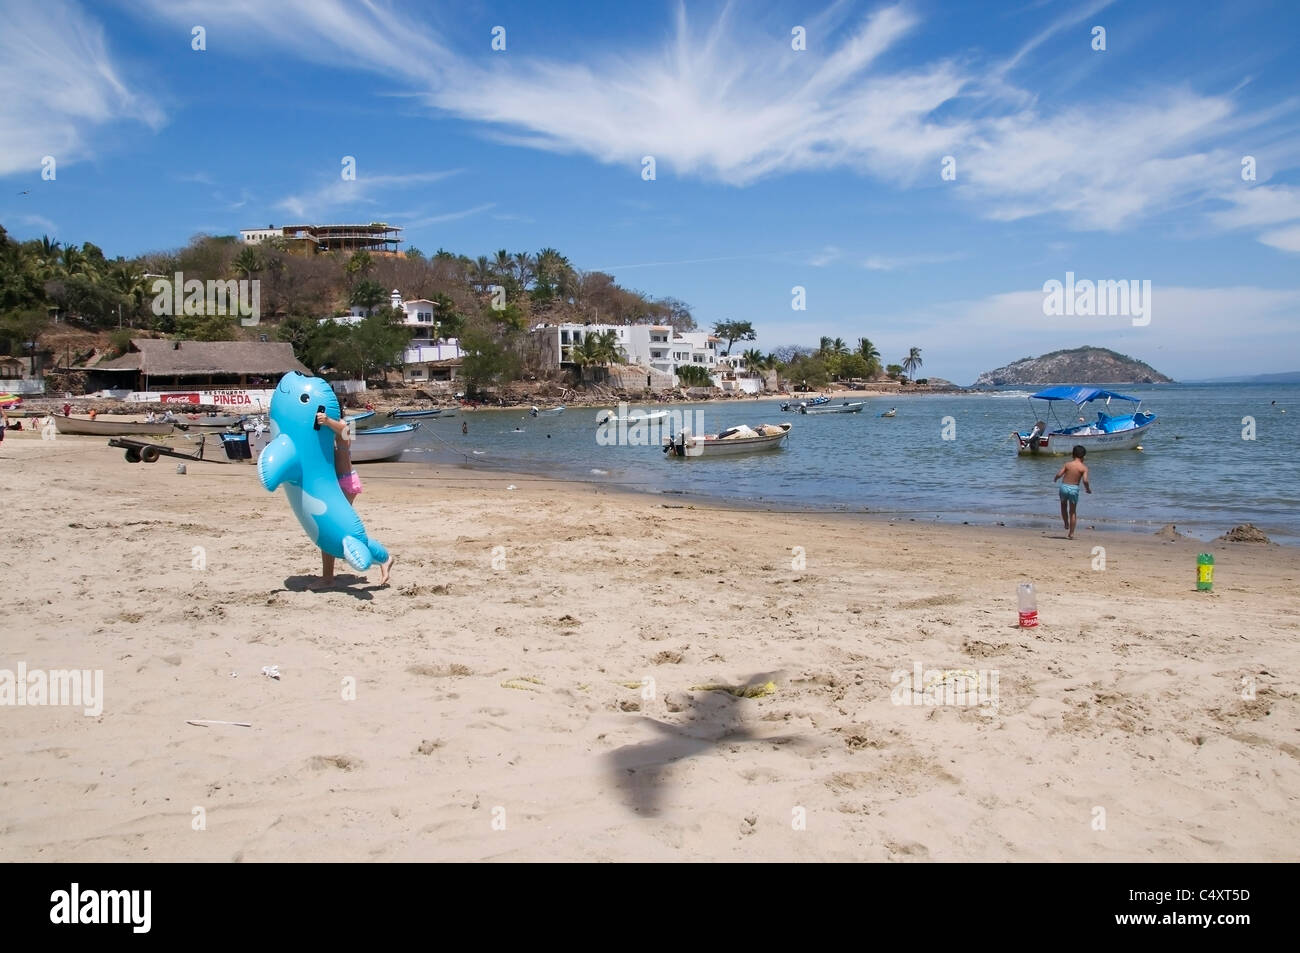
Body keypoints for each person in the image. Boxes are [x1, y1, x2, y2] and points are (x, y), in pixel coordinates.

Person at [314, 411, 394, 587]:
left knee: (331, 529)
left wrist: (327, 420)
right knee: (335, 529)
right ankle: (384, 558)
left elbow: (345, 432)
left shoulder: (345, 423)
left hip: (345, 482)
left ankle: (328, 578)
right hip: (337, 484)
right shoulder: (329, 429)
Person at [1053, 445, 1091, 540]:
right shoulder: (1083, 468)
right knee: (1073, 511)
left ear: (1072, 455)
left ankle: (1066, 523)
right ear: (1083, 457)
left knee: (1063, 506)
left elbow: (1059, 474)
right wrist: (1087, 489)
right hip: (1074, 489)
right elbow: (1085, 481)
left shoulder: (1068, 464)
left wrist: (1056, 478)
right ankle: (1071, 533)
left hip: (1064, 487)